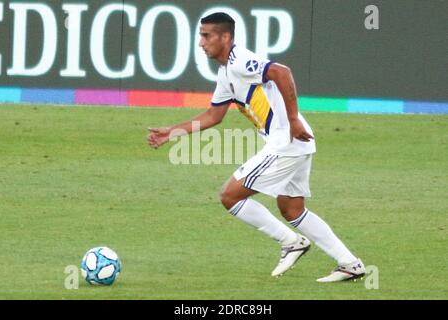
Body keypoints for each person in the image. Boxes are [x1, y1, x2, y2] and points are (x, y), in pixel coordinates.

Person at [148, 12, 365, 282]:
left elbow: (281, 72)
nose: (201, 42)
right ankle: (350, 264)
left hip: (286, 142)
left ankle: (291, 242)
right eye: (200, 36)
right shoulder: (226, 72)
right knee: (292, 210)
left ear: (225, 37)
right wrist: (172, 132)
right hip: (294, 143)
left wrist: (294, 119)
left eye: (206, 35)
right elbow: (213, 116)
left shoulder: (240, 61)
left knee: (230, 196)